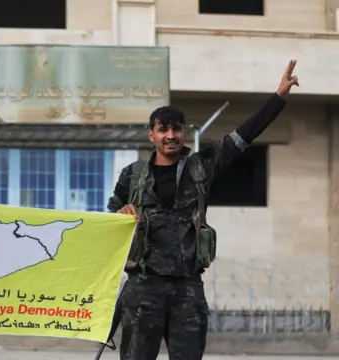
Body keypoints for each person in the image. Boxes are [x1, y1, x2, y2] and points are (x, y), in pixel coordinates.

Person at [107, 60, 299, 360]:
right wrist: (121, 213)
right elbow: (111, 213)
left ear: (184, 132)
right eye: (163, 130)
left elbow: (244, 136)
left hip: (187, 288)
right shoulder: (132, 175)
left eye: (176, 129)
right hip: (144, 287)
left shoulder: (201, 166)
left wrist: (279, 96)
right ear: (151, 135)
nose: (170, 135)